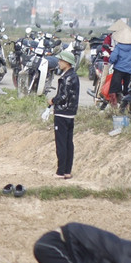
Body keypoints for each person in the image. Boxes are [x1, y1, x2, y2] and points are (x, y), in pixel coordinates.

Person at [51, 49, 79, 179]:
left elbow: (63, 95)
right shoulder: (75, 76)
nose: (59, 62)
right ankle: (67, 171)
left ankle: (60, 171)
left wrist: (52, 101)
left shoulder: (66, 78)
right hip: (71, 113)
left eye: (61, 60)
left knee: (61, 143)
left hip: (62, 113)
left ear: (67, 63)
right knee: (68, 143)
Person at [109, 18, 131, 99]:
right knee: (127, 90)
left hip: (118, 70)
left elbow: (113, 58)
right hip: (130, 71)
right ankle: (126, 106)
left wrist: (111, 62)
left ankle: (114, 106)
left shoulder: (118, 47)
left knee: (114, 89)